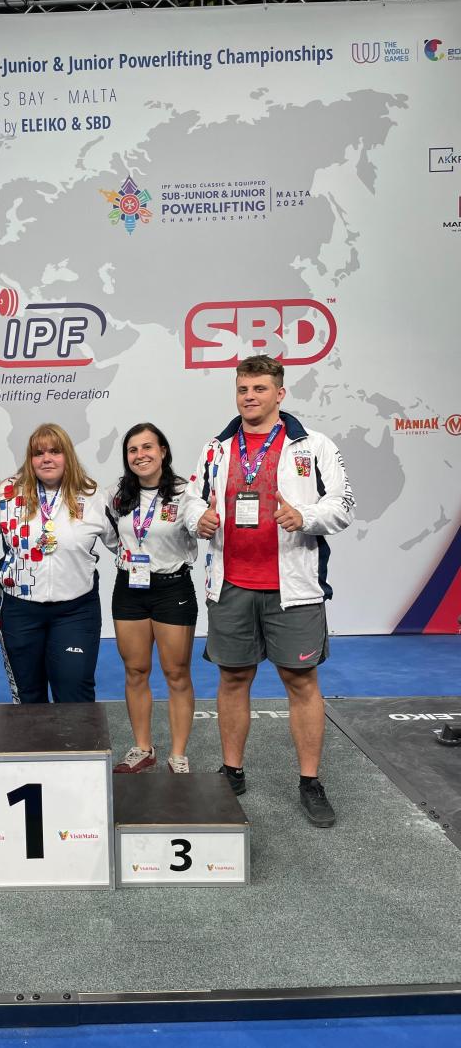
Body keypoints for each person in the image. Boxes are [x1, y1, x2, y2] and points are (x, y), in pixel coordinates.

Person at [192, 354, 355, 826]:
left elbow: (343, 505)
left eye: (260, 389)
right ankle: (232, 772)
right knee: (232, 679)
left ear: (279, 394)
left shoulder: (314, 445)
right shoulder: (216, 448)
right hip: (231, 585)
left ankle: (310, 782)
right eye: (243, 389)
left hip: (294, 589)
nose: (250, 397)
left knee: (301, 682)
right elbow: (192, 501)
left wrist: (306, 516)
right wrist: (198, 519)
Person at [0, 423, 114, 704]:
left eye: (55, 452)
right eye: (39, 453)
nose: (46, 459)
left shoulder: (92, 496)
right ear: (30, 459)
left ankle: (76, 736)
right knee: (28, 697)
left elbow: (124, 542)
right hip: (19, 609)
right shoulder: (7, 494)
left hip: (75, 610)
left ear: (67, 455)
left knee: (75, 693)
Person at [107, 424, 199, 774]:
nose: (140, 455)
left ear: (163, 451)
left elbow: (196, 524)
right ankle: (143, 748)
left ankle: (178, 755)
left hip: (172, 589)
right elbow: (111, 536)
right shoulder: (117, 494)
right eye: (132, 449)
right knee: (135, 671)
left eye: (147, 447)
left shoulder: (184, 493)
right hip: (129, 589)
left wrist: (206, 522)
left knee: (176, 673)